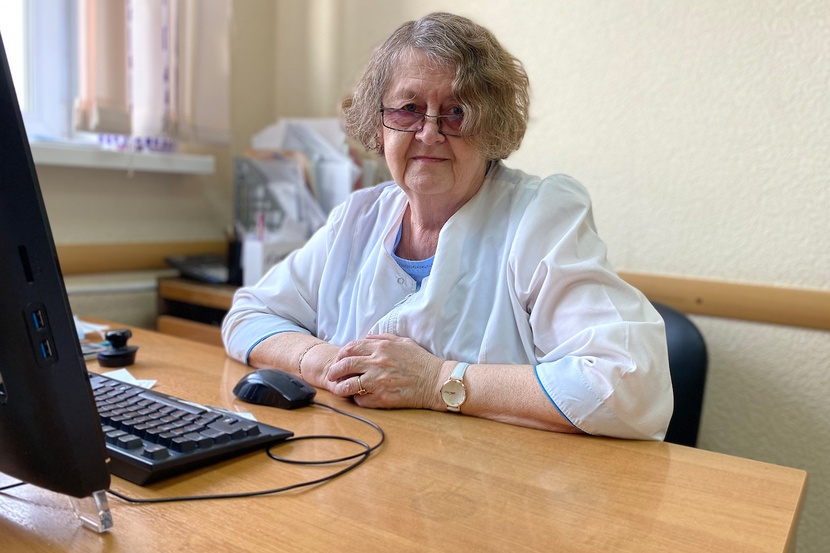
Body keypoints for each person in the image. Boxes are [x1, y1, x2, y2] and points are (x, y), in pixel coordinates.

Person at [222, 12, 673, 440]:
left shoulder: (539, 217)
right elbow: (248, 315)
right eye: (408, 109)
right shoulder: (358, 217)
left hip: (498, 479)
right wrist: (323, 363)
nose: (429, 133)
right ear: (379, 126)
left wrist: (438, 381)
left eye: (457, 112)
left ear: (492, 127)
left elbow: (628, 383)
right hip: (357, 461)